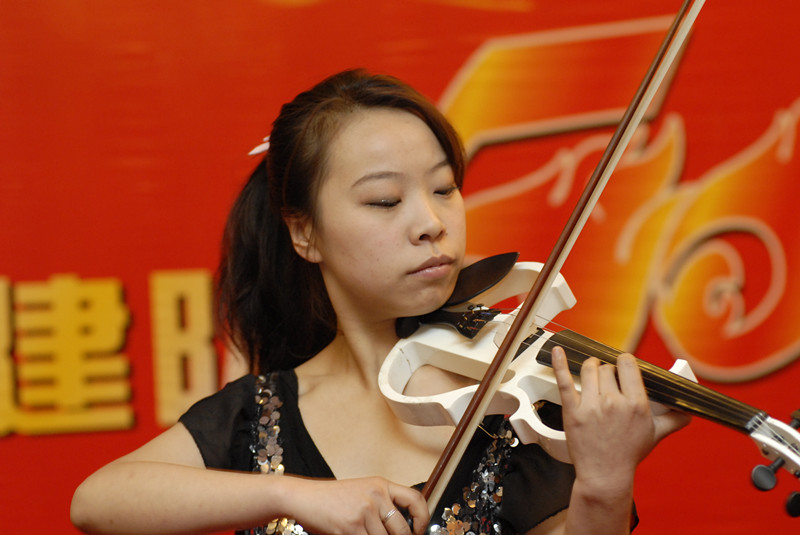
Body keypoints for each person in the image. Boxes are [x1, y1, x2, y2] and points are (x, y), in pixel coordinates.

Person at [70, 69, 689, 535]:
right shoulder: (260, 415)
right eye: (385, 201)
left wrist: (605, 484)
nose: (432, 223)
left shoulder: (515, 408)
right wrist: (292, 496)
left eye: (444, 188)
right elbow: (96, 502)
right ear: (304, 233)